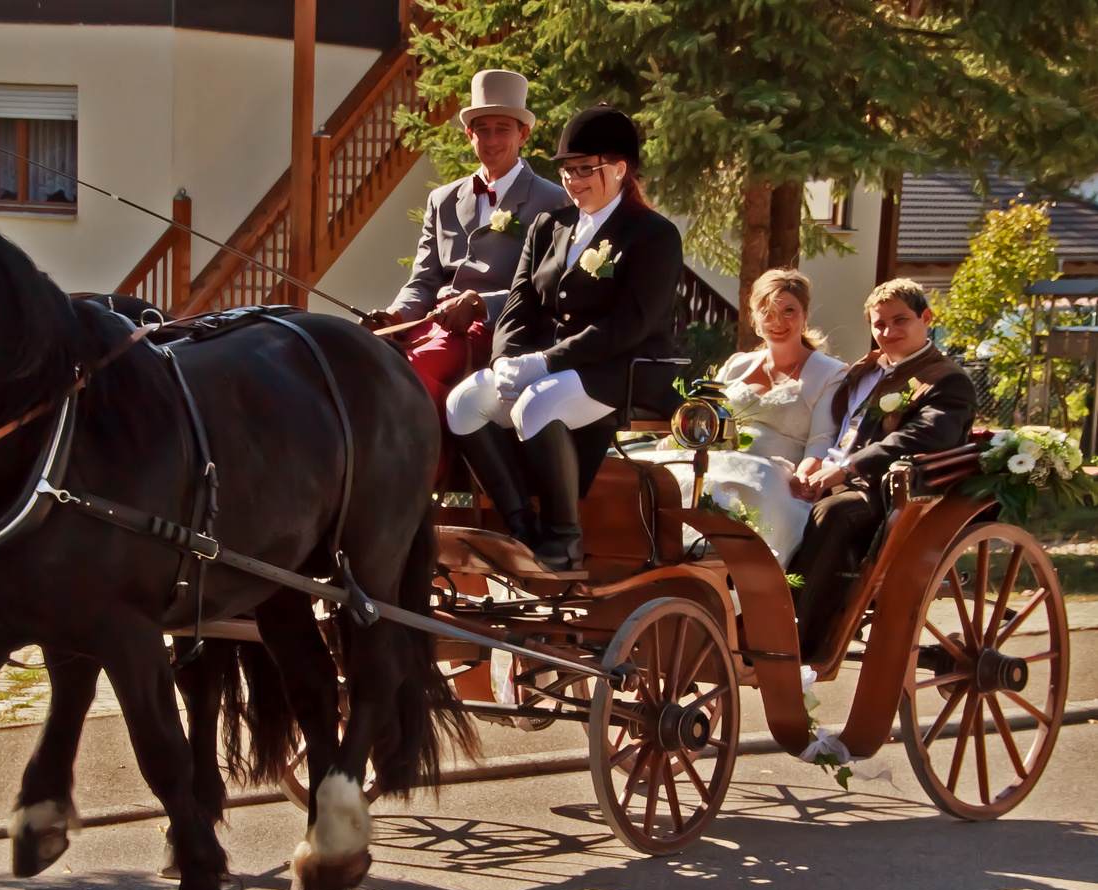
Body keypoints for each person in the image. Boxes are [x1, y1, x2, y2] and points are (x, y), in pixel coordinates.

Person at [444, 104, 684, 571]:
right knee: (463, 404)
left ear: (619, 169)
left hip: (619, 370)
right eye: (568, 171)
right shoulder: (549, 226)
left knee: (537, 404)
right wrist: (507, 361)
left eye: (584, 170)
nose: (573, 181)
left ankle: (563, 538)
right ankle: (522, 529)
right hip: (548, 368)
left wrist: (545, 363)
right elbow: (518, 304)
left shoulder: (653, 234)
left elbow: (628, 325)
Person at [362, 69, 567, 436]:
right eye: (482, 129)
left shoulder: (553, 201)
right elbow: (423, 281)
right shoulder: (442, 200)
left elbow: (545, 295)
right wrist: (395, 315)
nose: (491, 140)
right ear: (469, 134)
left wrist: (479, 304)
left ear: (523, 133)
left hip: (501, 332)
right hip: (436, 326)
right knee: (363, 360)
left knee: (412, 372)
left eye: (502, 129)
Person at [785, 278, 977, 658]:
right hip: (834, 474)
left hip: (890, 489)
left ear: (926, 318)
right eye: (879, 324)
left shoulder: (947, 380)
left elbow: (925, 437)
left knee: (831, 513)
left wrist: (849, 469)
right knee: (772, 495)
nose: (888, 332)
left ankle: (795, 635)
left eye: (899, 321)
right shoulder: (864, 370)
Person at [631, 269, 848, 566]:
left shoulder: (830, 372)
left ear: (805, 315)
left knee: (746, 482)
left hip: (778, 474)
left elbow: (822, 439)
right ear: (754, 318)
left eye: (789, 311)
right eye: (767, 312)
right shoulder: (738, 364)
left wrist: (806, 472)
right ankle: (649, 556)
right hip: (714, 458)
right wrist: (679, 436)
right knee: (652, 471)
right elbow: (705, 417)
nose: (778, 322)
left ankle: (724, 570)